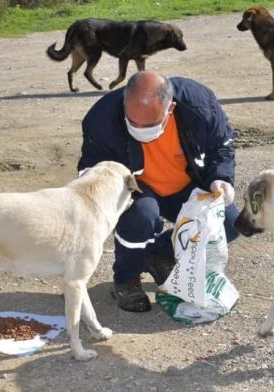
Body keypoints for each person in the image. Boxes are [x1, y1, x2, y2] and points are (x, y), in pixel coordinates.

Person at [78, 71, 239, 312]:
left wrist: (221, 178)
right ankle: (126, 279)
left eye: (150, 124)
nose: (140, 129)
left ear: (170, 109)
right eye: (132, 122)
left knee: (231, 222)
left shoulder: (199, 104)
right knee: (141, 217)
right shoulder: (101, 117)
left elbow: (221, 145)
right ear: (124, 103)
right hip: (138, 187)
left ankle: (157, 252)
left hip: (185, 185)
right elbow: (92, 169)